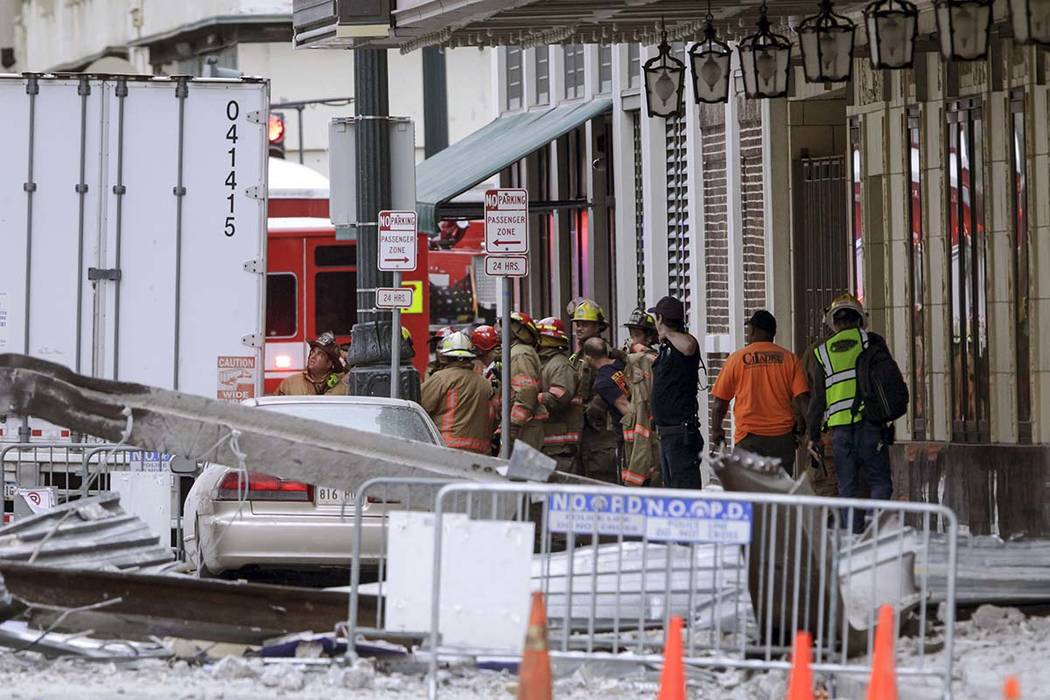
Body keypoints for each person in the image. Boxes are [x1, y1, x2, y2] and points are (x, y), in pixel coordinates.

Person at [805, 294, 896, 532]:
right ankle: (876, 532)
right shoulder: (872, 343)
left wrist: (813, 435)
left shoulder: (822, 352)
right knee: (879, 481)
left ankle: (852, 536)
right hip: (870, 427)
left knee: (847, 486)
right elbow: (890, 382)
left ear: (833, 323)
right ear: (860, 320)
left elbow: (818, 400)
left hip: (839, 433)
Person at [710, 310, 810, 473]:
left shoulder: (736, 359)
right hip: (782, 441)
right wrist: (810, 431)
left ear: (753, 330)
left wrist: (717, 430)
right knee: (778, 493)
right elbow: (802, 399)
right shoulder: (790, 359)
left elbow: (720, 403)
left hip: (749, 440)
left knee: (749, 494)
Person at [649, 296, 703, 489]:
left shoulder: (683, 343)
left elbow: (689, 347)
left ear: (660, 318)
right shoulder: (666, 349)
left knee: (684, 490)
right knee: (672, 490)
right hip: (666, 434)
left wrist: (667, 333)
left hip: (680, 433)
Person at [568, 298, 619, 483]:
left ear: (598, 326)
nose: (579, 328)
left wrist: (597, 405)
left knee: (601, 480)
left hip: (601, 433)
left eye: (585, 324)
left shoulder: (606, 353)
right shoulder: (578, 356)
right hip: (584, 432)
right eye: (577, 324)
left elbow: (616, 382)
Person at [419, 331, 494, 455]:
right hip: (481, 452)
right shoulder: (485, 384)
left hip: (447, 449)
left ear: (446, 356)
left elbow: (420, 407)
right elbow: (494, 418)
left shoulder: (441, 378)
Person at [536, 317, 582, 473]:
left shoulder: (559, 365)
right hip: (548, 444)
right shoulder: (546, 363)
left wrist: (533, 398)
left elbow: (559, 398)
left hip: (559, 446)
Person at [621, 309, 661, 486]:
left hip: (647, 435)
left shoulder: (649, 360)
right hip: (632, 436)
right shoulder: (632, 360)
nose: (632, 338)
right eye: (631, 334)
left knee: (650, 477)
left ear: (649, 337)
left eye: (636, 334)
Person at [582, 338, 630, 483]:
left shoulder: (602, 382)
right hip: (643, 426)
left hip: (627, 434)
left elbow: (625, 407)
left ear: (588, 358)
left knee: (626, 478)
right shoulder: (620, 363)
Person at [507, 312, 546, 451]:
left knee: (523, 470)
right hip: (525, 425)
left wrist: (514, 423)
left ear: (516, 331)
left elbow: (527, 390)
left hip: (525, 427)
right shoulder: (517, 352)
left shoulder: (519, 354)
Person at [275, 331, 347, 396]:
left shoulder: (341, 388)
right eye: (312, 352)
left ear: (329, 363)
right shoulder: (290, 383)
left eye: (320, 354)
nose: (312, 356)